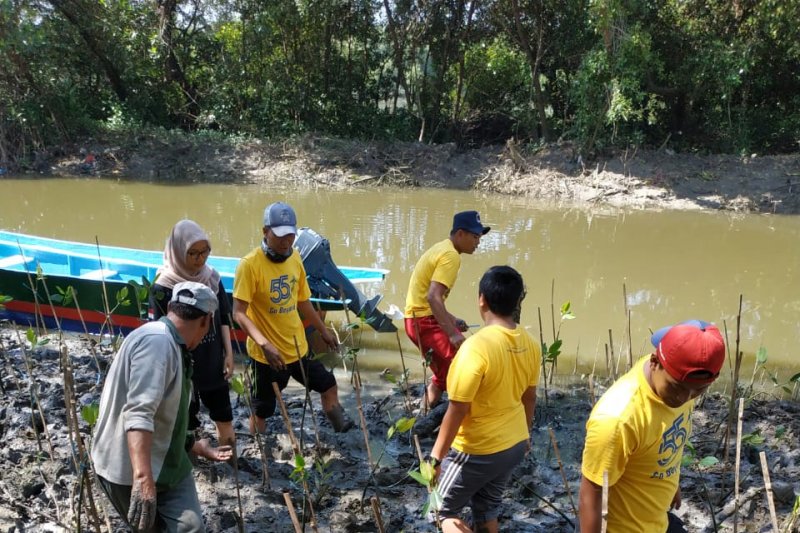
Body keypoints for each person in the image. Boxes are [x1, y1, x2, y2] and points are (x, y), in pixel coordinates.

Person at [92, 282, 233, 532]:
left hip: (169, 461)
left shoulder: (172, 344)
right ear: (208, 321)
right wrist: (143, 480)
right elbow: (138, 414)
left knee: (191, 527)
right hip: (129, 469)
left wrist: (191, 444)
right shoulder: (158, 344)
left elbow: (164, 411)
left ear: (170, 307)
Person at [578, 320, 726, 533]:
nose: (684, 398)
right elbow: (591, 494)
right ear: (655, 362)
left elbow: (665, 436)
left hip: (656, 520)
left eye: (698, 391)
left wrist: (671, 483)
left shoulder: (681, 381)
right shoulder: (617, 420)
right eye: (677, 387)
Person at [427, 265, 540, 533]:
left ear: (482, 300)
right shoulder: (531, 344)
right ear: (516, 302)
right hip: (512, 445)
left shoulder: (475, 348)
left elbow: (457, 410)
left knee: (440, 510)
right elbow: (530, 398)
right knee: (487, 508)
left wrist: (435, 458)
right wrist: (525, 435)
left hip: (479, 449)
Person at [232, 201, 351, 434]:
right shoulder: (249, 265)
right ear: (265, 232)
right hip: (266, 357)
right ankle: (261, 454)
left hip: (298, 348)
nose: (285, 242)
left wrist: (324, 332)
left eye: (290, 236)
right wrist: (264, 344)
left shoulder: (295, 257)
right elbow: (238, 312)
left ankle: (343, 430)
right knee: (262, 410)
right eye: (279, 236)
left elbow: (303, 301)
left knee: (328, 385)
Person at [150, 219, 236, 449]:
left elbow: (224, 318)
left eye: (205, 252)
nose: (200, 259)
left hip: (212, 357)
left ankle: (231, 460)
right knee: (185, 420)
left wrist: (229, 353)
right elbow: (160, 331)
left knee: (224, 415)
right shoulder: (163, 287)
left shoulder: (211, 278)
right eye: (193, 253)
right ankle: (190, 463)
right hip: (181, 366)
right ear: (178, 252)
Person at [404, 210, 490, 407]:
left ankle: (422, 417)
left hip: (417, 319)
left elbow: (428, 299)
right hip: (423, 322)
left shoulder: (442, 248)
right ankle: (466, 419)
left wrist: (451, 320)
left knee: (444, 374)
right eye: (475, 236)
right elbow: (433, 297)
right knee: (464, 367)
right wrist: (452, 333)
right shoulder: (451, 255)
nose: (478, 242)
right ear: (460, 234)